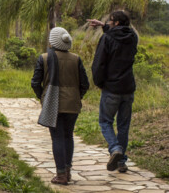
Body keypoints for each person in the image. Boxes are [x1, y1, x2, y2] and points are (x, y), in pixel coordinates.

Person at [31, 27, 90, 185]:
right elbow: (85, 84)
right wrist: (76, 96)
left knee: (57, 137)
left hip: (53, 103)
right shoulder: (76, 59)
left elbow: (35, 82)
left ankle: (61, 174)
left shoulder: (44, 58)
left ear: (52, 41)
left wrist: (43, 97)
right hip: (72, 104)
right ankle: (68, 171)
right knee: (68, 136)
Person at [88, 10, 138, 173]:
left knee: (105, 121)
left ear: (116, 23)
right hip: (128, 87)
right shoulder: (133, 37)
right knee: (123, 125)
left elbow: (99, 63)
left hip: (111, 88)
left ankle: (115, 148)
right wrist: (103, 26)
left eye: (110, 21)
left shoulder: (107, 38)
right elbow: (119, 36)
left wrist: (99, 82)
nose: (108, 23)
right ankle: (121, 161)